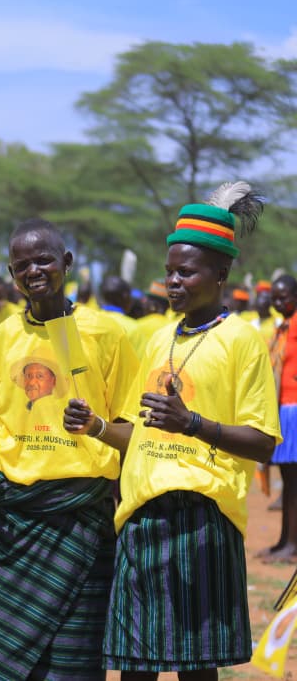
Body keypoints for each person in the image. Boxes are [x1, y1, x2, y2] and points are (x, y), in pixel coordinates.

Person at [66, 182, 280, 678]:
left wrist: (194, 424)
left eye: (186, 272)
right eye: (168, 273)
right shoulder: (160, 336)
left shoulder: (242, 340)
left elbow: (264, 443)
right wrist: (97, 426)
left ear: (221, 274)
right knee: (134, 665)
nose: (173, 282)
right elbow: (143, 435)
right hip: (139, 515)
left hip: (202, 518)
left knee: (195, 666)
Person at [0, 218, 138, 681]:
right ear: (12, 273)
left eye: (44, 260)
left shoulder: (107, 333)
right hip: (14, 522)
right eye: (22, 265)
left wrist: (97, 428)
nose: (34, 271)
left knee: (72, 663)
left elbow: (133, 430)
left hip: (81, 516)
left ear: (67, 263)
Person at [263, 275, 297, 561]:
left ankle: (291, 544)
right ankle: (284, 540)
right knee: (288, 481)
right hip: (283, 408)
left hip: (294, 408)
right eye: (274, 297)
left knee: (294, 482)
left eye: (283, 296)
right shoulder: (283, 327)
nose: (277, 302)